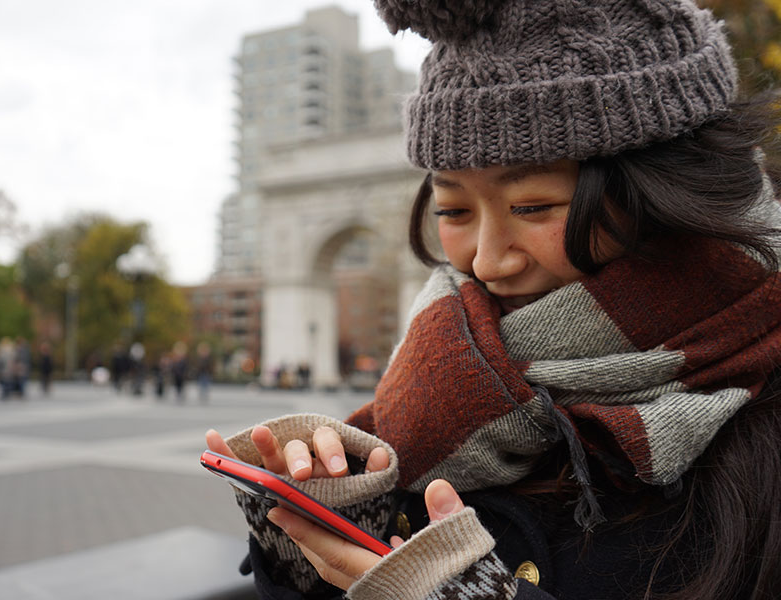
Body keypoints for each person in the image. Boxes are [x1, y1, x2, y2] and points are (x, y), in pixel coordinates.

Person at [206, 1, 781, 598]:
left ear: (669, 192)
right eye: (452, 210)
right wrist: (320, 536)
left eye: (532, 206)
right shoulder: (435, 376)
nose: (485, 261)